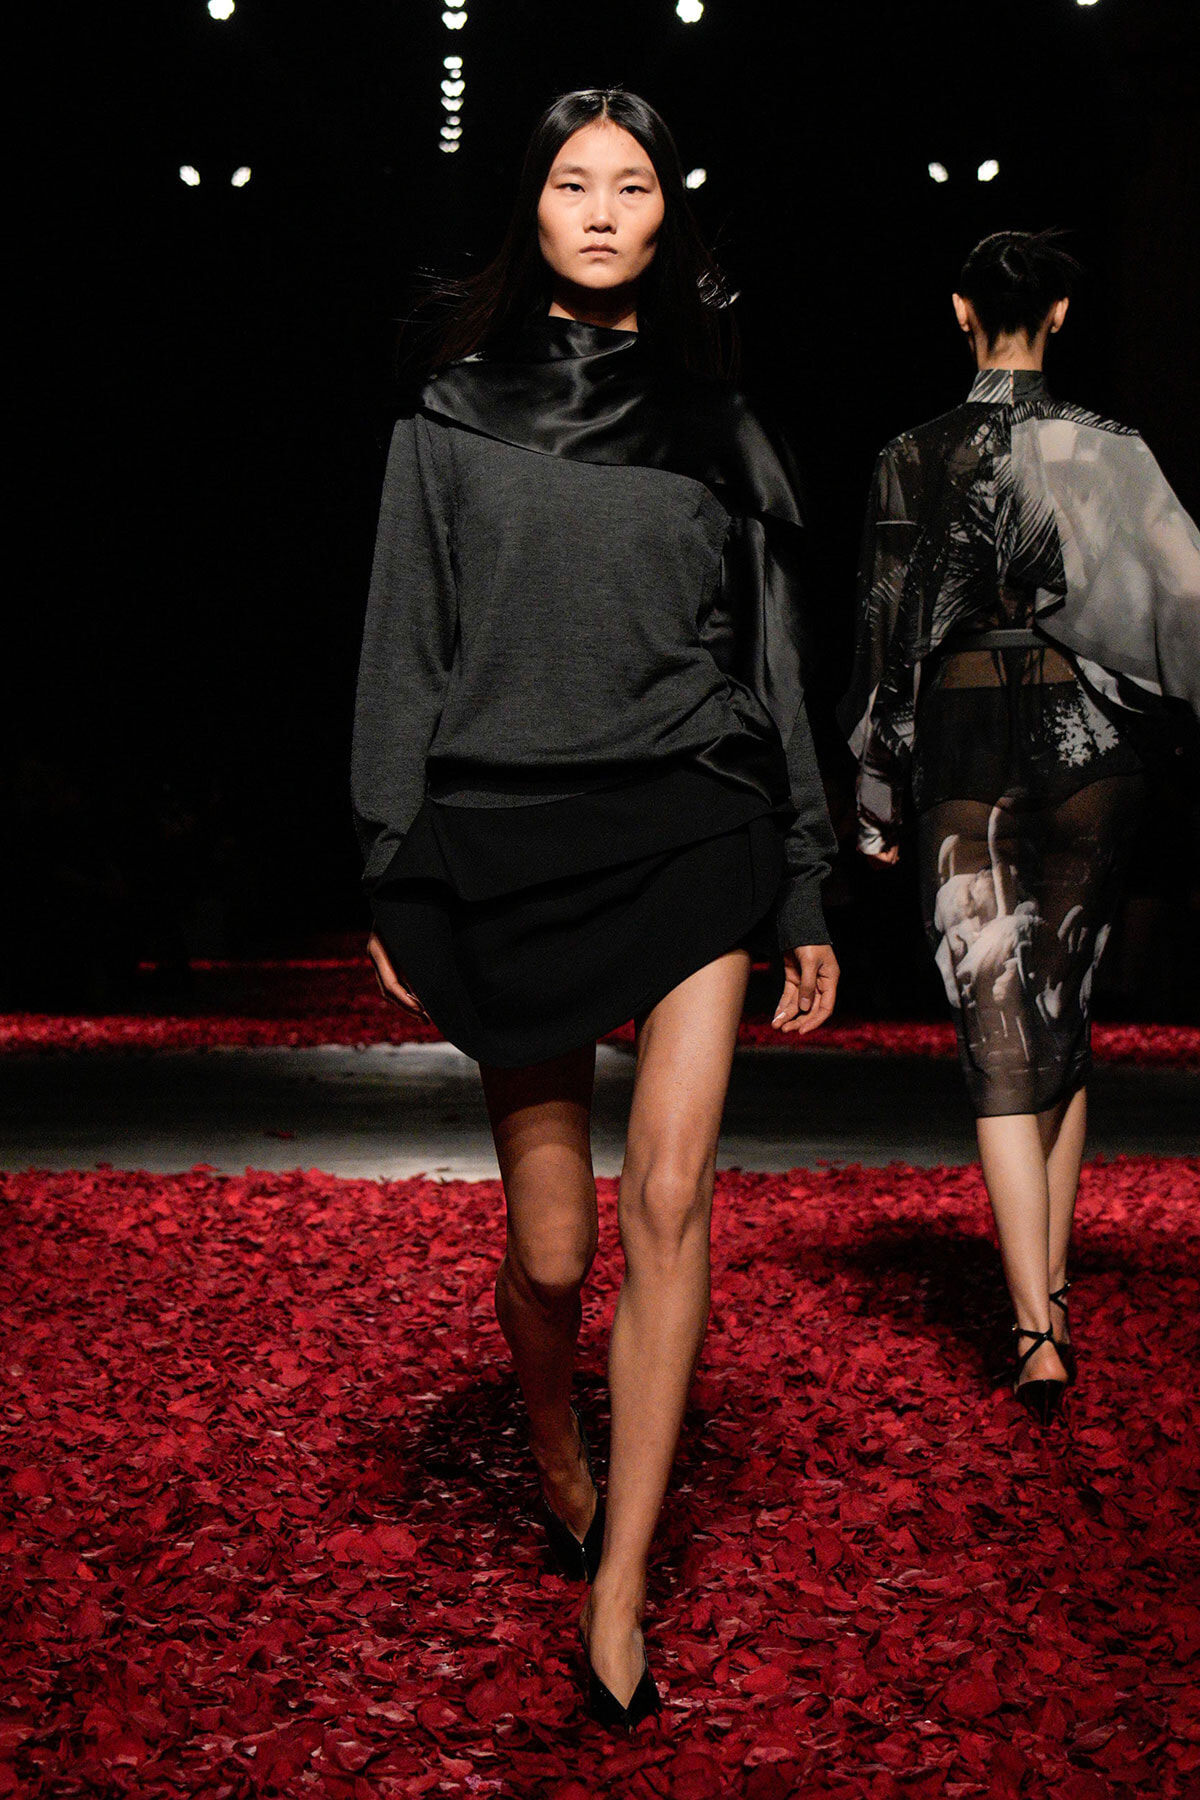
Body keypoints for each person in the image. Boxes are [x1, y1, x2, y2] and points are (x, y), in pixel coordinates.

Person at [351, 88, 839, 1726]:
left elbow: (774, 671)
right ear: (535, 212)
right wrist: (386, 841)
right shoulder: (447, 416)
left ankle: (622, 1580)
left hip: (693, 811)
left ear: (664, 220)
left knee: (671, 1203)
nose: (607, 207)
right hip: (503, 832)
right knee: (553, 1251)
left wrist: (805, 876)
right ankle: (556, 1434)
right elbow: (404, 642)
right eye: (577, 183)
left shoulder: (724, 428)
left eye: (635, 185)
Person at [841, 229, 1200, 1426]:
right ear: (1056, 315)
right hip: (1096, 749)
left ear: (960, 312)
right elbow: (1186, 603)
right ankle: (1042, 1288)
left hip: (967, 746)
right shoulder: (1113, 452)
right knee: (1063, 1006)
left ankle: (1033, 1328)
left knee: (1000, 1020)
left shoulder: (911, 455)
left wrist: (879, 790)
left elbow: (890, 635)